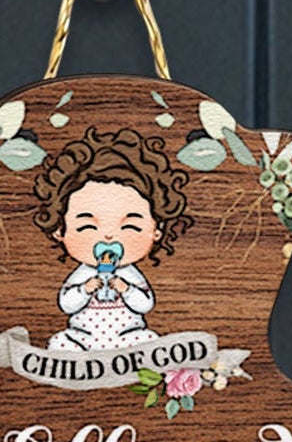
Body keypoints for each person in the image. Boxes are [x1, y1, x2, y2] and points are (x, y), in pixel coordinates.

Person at [32, 126, 193, 354]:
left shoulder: (130, 274)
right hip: (83, 337)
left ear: (156, 230)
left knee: (150, 340)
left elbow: (145, 304)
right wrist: (84, 290)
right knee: (59, 342)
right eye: (87, 226)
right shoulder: (83, 273)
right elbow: (66, 304)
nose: (108, 236)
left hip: (127, 337)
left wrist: (127, 290)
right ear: (60, 230)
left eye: (130, 226)